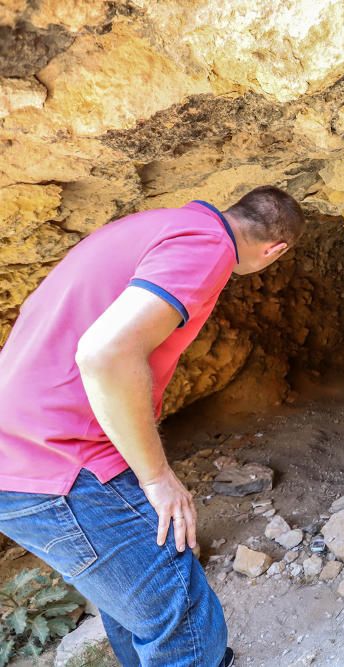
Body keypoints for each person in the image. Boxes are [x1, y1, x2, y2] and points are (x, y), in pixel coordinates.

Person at [0, 186, 305, 666]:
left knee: (136, 605)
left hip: (24, 449)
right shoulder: (207, 247)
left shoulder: (154, 226)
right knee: (180, 617)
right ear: (274, 251)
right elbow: (105, 354)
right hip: (60, 461)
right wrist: (156, 478)